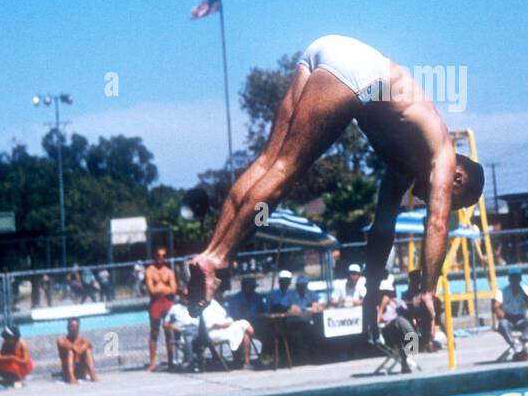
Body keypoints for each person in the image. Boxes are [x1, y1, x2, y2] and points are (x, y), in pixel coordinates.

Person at [187, 35, 484, 347]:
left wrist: (371, 300)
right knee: (287, 168)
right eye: (450, 200)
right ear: (458, 179)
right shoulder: (443, 153)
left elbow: (382, 231)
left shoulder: (402, 169)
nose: (432, 200)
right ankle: (217, 261)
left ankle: (211, 253)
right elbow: (435, 223)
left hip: (324, 52)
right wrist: (428, 289)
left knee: (268, 161)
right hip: (358, 70)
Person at [201, 286, 256, 369]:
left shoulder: (217, 303)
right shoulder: (206, 306)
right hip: (215, 331)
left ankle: (245, 363)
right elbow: (210, 324)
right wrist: (224, 325)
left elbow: (226, 316)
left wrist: (228, 322)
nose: (221, 295)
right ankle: (242, 360)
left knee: (245, 334)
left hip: (225, 327)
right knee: (243, 326)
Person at [493, 268, 528, 361]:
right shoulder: (502, 291)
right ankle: (514, 344)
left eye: (517, 278)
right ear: (509, 279)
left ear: (520, 279)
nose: (515, 281)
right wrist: (498, 310)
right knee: (503, 324)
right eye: (513, 278)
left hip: (521, 318)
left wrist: (525, 296)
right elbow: (496, 305)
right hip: (508, 318)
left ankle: (521, 342)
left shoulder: (526, 289)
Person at [145, 246, 178, 371]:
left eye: (163, 256)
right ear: (155, 256)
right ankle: (152, 362)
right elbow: (151, 290)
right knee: (154, 332)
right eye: (159, 255)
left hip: (167, 303)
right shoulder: (150, 271)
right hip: (155, 304)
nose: (161, 258)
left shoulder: (169, 272)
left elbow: (174, 290)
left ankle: (171, 361)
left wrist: (160, 289)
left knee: (169, 332)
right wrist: (166, 289)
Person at [376, 277, 417, 373]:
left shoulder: (397, 302)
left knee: (400, 322)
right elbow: (376, 322)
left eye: (388, 292)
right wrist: (382, 307)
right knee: (398, 321)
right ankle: (412, 343)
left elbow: (408, 313)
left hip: (400, 333)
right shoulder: (377, 306)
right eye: (384, 293)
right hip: (387, 333)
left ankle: (405, 360)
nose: (387, 295)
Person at [56, 318, 99, 384]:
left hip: (81, 370)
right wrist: (77, 348)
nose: (74, 329)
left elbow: (87, 345)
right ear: (68, 327)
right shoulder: (61, 340)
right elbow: (68, 346)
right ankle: (71, 378)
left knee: (87, 351)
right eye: (72, 326)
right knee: (70, 352)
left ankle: (92, 374)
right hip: (67, 371)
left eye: (76, 327)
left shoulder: (82, 340)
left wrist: (80, 348)